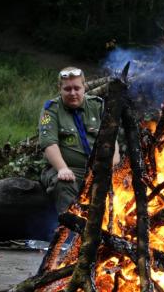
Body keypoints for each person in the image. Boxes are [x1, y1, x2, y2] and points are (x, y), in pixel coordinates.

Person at [38, 66, 120, 214]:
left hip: (98, 170)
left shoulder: (97, 105)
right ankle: (69, 231)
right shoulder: (51, 109)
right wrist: (62, 168)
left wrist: (111, 167)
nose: (73, 93)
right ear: (60, 89)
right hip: (69, 170)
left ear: (84, 87)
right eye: (67, 89)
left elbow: (112, 140)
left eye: (77, 88)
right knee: (63, 184)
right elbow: (49, 144)